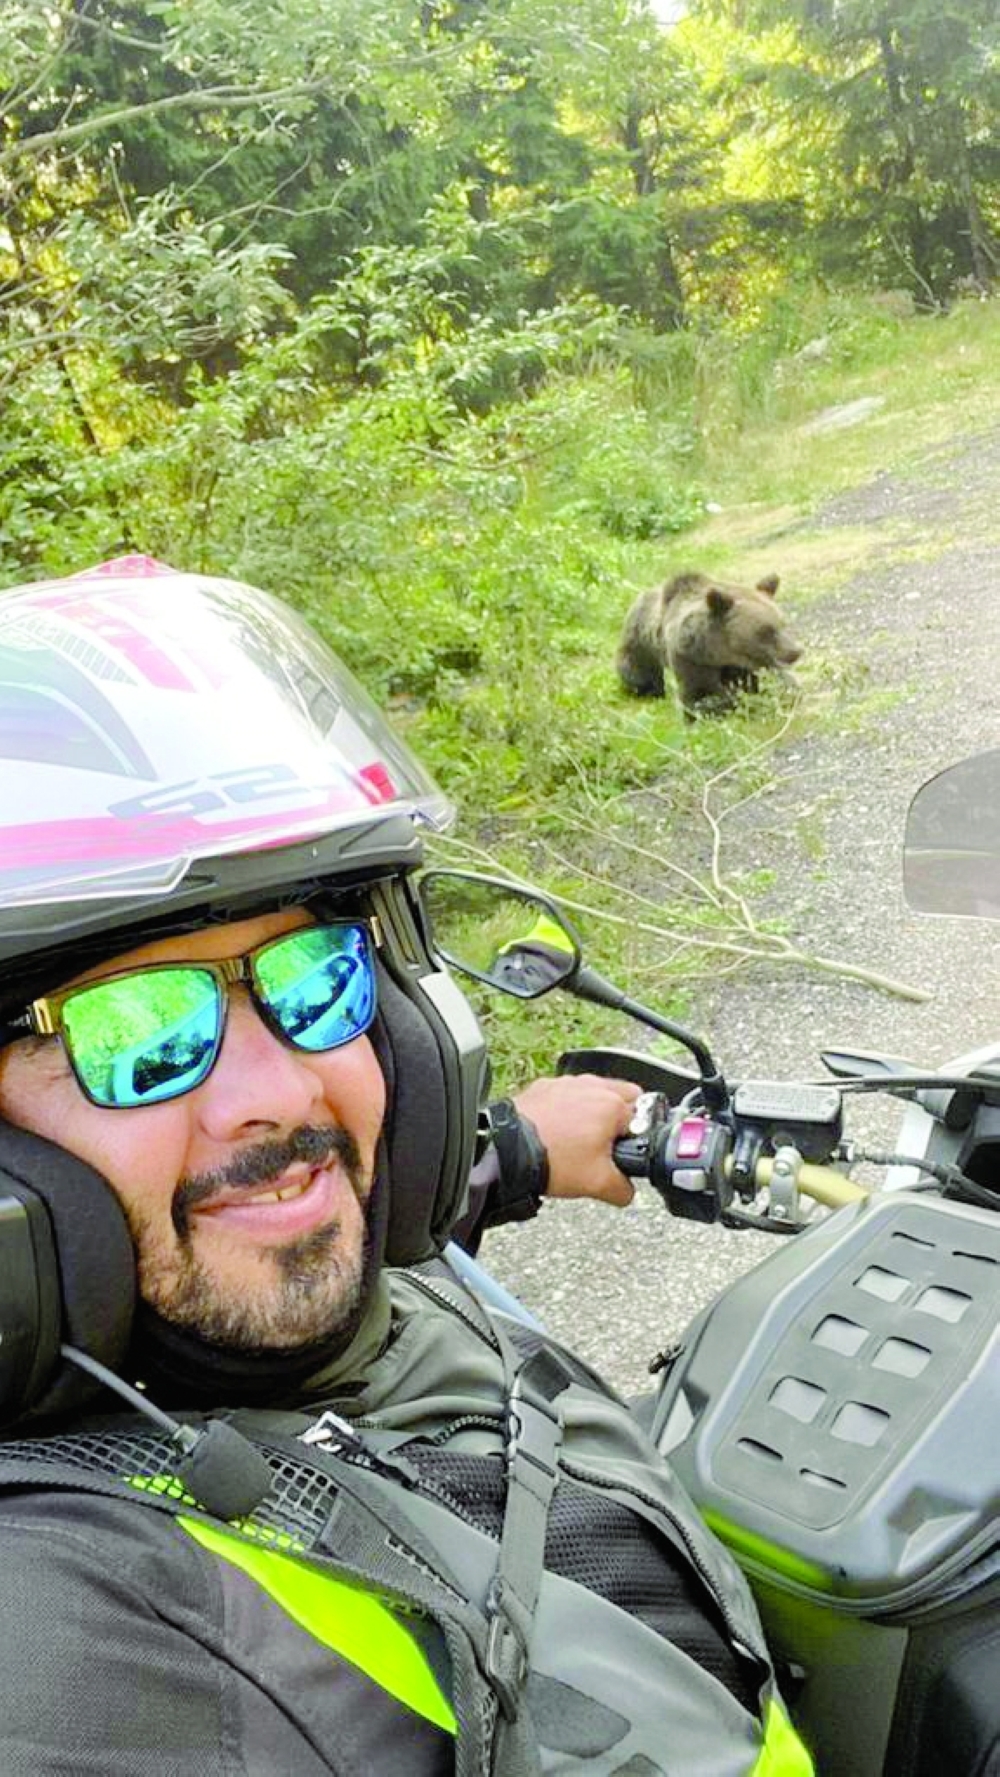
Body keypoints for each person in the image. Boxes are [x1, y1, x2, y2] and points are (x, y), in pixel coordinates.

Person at [0, 557, 812, 1775]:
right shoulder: (75, 1651)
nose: (281, 1094)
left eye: (315, 977)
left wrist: (521, 1147)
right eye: (135, 1033)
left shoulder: (304, 1242)